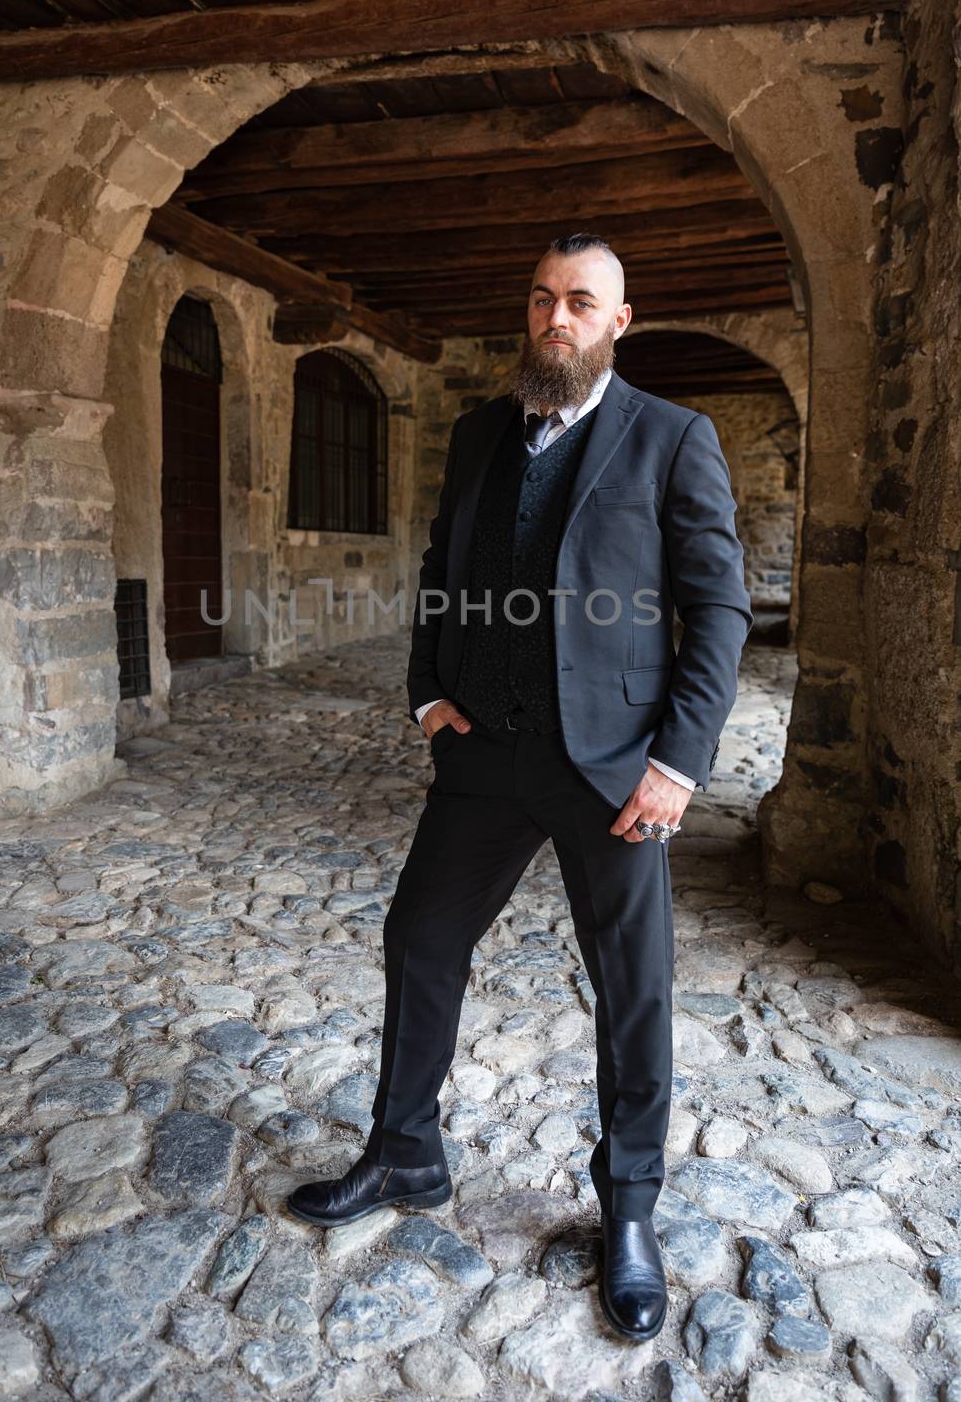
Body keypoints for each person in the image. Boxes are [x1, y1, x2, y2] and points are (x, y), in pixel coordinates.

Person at [288, 232, 753, 1343]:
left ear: (618, 320)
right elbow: (446, 569)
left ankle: (629, 1210)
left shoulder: (673, 437)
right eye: (542, 298)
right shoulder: (480, 431)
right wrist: (425, 692)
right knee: (419, 938)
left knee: (632, 989)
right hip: (484, 755)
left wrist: (678, 761)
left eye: (581, 302)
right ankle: (405, 1150)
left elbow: (719, 609)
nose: (557, 318)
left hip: (615, 769)